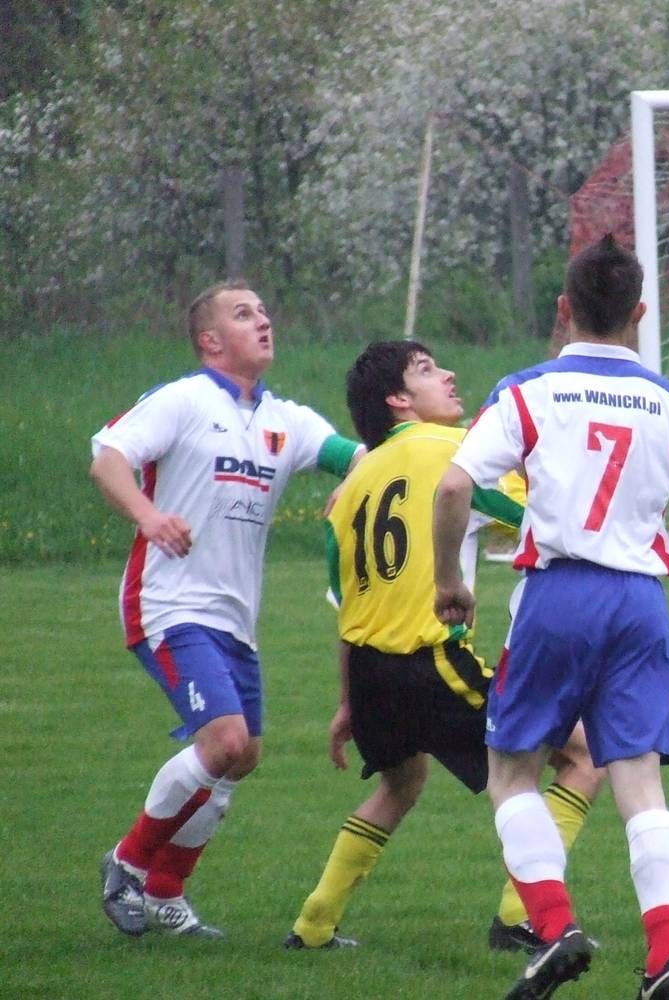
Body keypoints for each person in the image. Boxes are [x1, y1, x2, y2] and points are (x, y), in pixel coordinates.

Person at [432, 234, 669, 1000]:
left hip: (558, 594)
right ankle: (665, 960)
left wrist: (448, 581)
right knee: (640, 784)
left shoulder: (529, 390)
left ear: (564, 308)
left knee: (511, 772)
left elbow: (453, 487)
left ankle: (554, 926)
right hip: (639, 604)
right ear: (639, 313)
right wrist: (651, 556)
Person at [284, 340, 604, 952]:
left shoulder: (349, 490)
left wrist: (348, 702)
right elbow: (536, 514)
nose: (449, 374)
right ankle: (521, 918)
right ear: (398, 400)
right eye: (427, 370)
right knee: (587, 756)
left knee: (400, 785)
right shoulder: (455, 451)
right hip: (430, 661)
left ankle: (313, 926)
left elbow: (349, 612)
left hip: (370, 670)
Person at [92, 280, 364, 938]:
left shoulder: (287, 421)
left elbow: (362, 457)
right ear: (210, 341)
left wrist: (357, 480)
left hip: (236, 621)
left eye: (265, 312)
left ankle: (166, 892)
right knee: (226, 742)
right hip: (169, 604)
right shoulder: (183, 400)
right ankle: (126, 864)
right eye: (244, 315)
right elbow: (109, 459)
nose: (263, 321)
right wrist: (149, 516)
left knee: (243, 757)